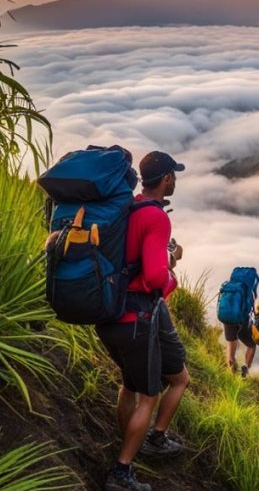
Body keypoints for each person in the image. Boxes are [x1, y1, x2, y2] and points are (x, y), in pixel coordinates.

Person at [95, 151, 190, 491]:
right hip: (137, 316)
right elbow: (152, 277)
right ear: (165, 179)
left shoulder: (127, 208)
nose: (175, 180)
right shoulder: (156, 219)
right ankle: (122, 472)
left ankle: (133, 439)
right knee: (148, 395)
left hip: (110, 311)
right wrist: (171, 271)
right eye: (173, 175)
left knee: (133, 385)